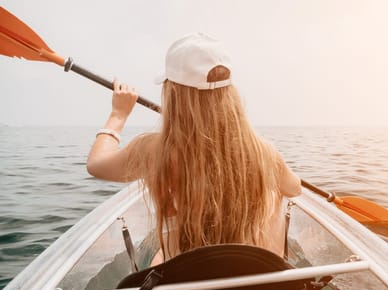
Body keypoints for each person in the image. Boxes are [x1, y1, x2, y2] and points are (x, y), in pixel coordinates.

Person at [87, 33, 301, 265]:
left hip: (185, 286)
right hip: (248, 284)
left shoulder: (154, 151)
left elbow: (96, 165)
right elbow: (294, 189)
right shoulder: (263, 152)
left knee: (161, 258)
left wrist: (118, 115)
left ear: (174, 92)